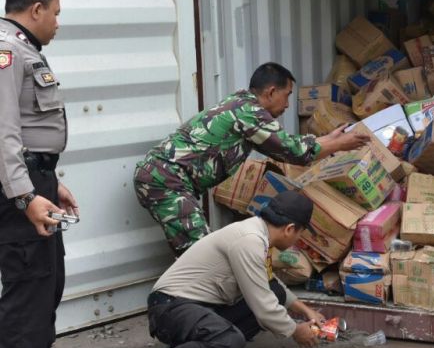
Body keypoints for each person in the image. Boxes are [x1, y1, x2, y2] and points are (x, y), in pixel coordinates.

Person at [134, 62, 368, 256]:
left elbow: (289, 147)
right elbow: (294, 152)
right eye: (286, 96)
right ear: (271, 92)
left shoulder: (242, 104)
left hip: (166, 178)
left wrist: (330, 139)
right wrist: (337, 144)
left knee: (196, 254)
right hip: (165, 179)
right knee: (200, 256)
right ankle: (190, 307)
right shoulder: (249, 112)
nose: (287, 105)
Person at [0, 0, 91, 348]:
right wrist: (24, 196)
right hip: (17, 187)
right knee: (27, 281)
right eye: (56, 12)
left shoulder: (26, 50)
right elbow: (3, 132)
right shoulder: (7, 50)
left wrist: (49, 184)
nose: (58, 22)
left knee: (49, 275)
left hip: (36, 178)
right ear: (35, 9)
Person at [138, 190, 324, 348]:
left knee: (276, 294)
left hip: (195, 307)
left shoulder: (258, 235)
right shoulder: (249, 241)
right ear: (290, 228)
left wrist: (305, 310)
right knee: (228, 340)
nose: (297, 240)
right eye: (300, 233)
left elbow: (270, 286)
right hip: (169, 308)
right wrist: (295, 330)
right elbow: (264, 307)